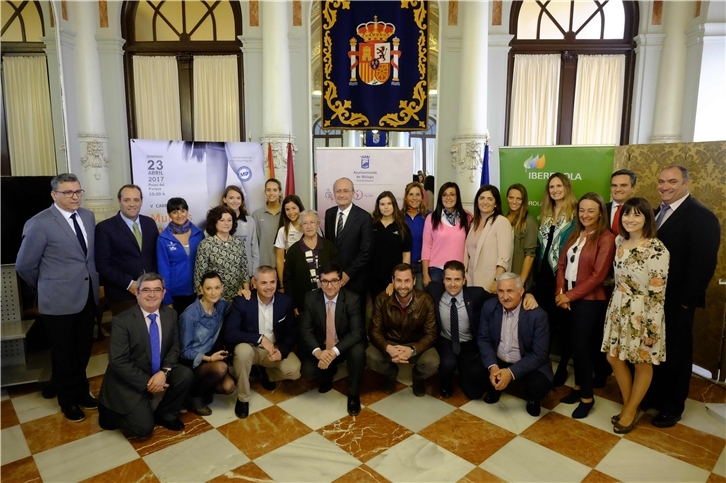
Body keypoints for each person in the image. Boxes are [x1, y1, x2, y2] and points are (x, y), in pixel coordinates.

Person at [16, 173, 100, 422]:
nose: (75, 197)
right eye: (68, 192)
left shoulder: (88, 216)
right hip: (58, 300)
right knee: (63, 354)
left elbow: (87, 258)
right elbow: (24, 265)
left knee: (83, 350)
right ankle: (67, 400)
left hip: (87, 295)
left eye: (78, 191)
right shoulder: (39, 223)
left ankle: (82, 392)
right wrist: (46, 286)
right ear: (54, 195)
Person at [648, 165, 720, 428]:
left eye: (672, 181)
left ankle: (673, 406)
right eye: (661, 181)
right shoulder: (657, 213)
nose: (665, 186)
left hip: (678, 302)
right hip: (654, 300)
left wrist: (685, 301)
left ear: (686, 183)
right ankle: (655, 397)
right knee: (656, 351)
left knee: (677, 355)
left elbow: (703, 267)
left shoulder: (702, 217)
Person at [602, 198, 669, 434]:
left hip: (643, 310)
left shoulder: (656, 249)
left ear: (647, 219)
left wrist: (651, 329)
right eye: (627, 214)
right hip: (619, 307)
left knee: (642, 361)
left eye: (637, 215)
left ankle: (629, 410)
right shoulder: (620, 241)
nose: (630, 219)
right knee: (614, 357)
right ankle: (631, 404)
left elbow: (657, 292)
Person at [426, 261, 540, 399]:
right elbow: (412, 293)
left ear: (464, 280)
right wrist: (391, 285)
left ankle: (465, 376)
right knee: (448, 363)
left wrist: (527, 294)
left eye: (457, 279)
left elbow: (502, 296)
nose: (452, 284)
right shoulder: (434, 290)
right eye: (448, 279)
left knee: (474, 393)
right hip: (446, 340)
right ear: (443, 280)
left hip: (468, 343)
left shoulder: (476, 294)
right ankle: (445, 383)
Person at [98, 273, 194, 436]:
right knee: (143, 429)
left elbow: (174, 348)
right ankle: (111, 412)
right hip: (129, 379)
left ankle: (165, 413)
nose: (152, 294)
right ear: (137, 293)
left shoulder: (170, 315)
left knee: (185, 374)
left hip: (156, 370)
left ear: (164, 293)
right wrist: (149, 383)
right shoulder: (122, 321)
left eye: (157, 290)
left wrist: (164, 372)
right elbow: (118, 361)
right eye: (146, 290)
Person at [555, 193, 616, 419]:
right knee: (572, 345)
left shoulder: (606, 238)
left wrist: (569, 296)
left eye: (591, 210)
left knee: (582, 349)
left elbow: (598, 276)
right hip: (569, 298)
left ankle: (587, 399)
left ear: (600, 212)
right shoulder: (576, 234)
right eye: (582, 210)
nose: (585, 214)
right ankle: (579, 388)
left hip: (589, 301)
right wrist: (560, 293)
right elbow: (562, 265)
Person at [225, 266, 301, 419]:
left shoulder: (285, 301)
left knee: (294, 370)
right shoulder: (242, 301)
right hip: (251, 348)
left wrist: (282, 351)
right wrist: (259, 338)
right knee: (242, 352)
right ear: (254, 283)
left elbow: (293, 332)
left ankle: (266, 372)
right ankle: (243, 398)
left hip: (272, 350)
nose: (269, 287)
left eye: (272, 282)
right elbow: (229, 333)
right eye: (264, 282)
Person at [476, 273, 553, 417]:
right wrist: (493, 367)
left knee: (540, 385)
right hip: (498, 359)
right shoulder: (489, 307)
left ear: (521, 291)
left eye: (510, 291)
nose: (505, 296)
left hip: (524, 360)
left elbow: (539, 354)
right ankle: (496, 385)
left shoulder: (537, 315)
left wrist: (510, 373)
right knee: (473, 372)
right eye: (501, 291)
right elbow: (483, 339)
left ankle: (532, 398)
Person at [299, 263, 366, 416]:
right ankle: (327, 374)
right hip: (321, 346)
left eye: (334, 280)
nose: (329, 286)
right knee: (307, 372)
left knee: (358, 351)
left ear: (341, 281)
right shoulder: (310, 298)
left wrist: (334, 352)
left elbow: (356, 333)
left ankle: (354, 394)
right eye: (325, 281)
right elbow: (305, 330)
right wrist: (318, 353)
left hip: (342, 346)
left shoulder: (352, 299)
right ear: (319, 282)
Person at [367, 263, 439, 397]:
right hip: (390, 342)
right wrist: (388, 348)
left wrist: (412, 350)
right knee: (369, 356)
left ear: (414, 281)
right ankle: (390, 373)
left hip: (416, 343)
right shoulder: (382, 299)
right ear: (393, 281)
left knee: (432, 362)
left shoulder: (426, 300)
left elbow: (431, 334)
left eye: (407, 280)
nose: (403, 285)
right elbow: (374, 331)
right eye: (399, 280)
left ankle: (418, 377)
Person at [533, 172, 578, 387]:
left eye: (559, 186)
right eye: (551, 187)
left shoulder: (576, 215)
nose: (555, 190)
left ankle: (562, 367)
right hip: (543, 275)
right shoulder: (545, 214)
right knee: (545, 322)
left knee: (564, 324)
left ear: (566, 188)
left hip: (564, 276)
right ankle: (543, 363)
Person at [178, 271, 236, 416]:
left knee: (229, 387)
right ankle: (194, 395)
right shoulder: (189, 315)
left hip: (211, 357)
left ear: (222, 288)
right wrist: (209, 359)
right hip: (192, 362)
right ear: (201, 289)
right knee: (221, 368)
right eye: (209, 288)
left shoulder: (222, 306)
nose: (213, 293)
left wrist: (245, 292)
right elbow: (184, 351)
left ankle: (203, 389)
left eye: (217, 288)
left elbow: (238, 306)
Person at [95, 184, 158, 315]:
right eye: (126, 200)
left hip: (150, 293)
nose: (132, 204)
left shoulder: (150, 223)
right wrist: (129, 284)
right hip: (122, 295)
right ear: (119, 201)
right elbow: (102, 265)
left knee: (151, 333)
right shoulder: (105, 228)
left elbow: (155, 256)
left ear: (141, 201)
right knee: (128, 334)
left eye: (136, 200)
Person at [324, 177, 373, 328]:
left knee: (356, 321)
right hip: (334, 279)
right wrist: (334, 275)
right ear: (333, 193)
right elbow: (329, 246)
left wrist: (348, 274)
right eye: (338, 191)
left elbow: (366, 251)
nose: (342, 194)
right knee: (337, 319)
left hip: (356, 278)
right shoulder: (329, 214)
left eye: (346, 191)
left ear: (353, 193)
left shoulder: (364, 217)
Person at [283, 210, 338, 314]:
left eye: (312, 222)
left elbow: (337, 273)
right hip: (303, 303)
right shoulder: (294, 251)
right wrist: (293, 304)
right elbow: (288, 280)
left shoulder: (329, 247)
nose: (309, 226)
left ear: (318, 225)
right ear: (300, 227)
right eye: (305, 223)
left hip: (327, 299)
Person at [156, 197, 205, 315]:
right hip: (176, 294)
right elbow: (164, 271)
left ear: (187, 212)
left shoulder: (199, 234)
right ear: (169, 214)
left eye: (183, 211)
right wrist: (167, 298)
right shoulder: (163, 239)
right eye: (174, 211)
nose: (179, 215)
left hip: (199, 291)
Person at [194, 205, 250, 302]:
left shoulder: (238, 242)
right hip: (215, 298)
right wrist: (203, 299)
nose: (226, 223)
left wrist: (246, 290)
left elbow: (244, 268)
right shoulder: (206, 244)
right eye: (222, 220)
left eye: (229, 220)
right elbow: (199, 275)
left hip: (237, 295)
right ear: (214, 222)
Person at [464, 184, 513, 293]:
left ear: (495, 204)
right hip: (470, 281)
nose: (485, 202)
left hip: (489, 283)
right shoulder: (473, 223)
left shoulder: (501, 222)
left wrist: (496, 281)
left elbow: (504, 258)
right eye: (482, 198)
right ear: (477, 201)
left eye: (490, 199)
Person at [421, 182, 471, 286]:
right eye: (444, 195)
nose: (448, 198)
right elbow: (426, 247)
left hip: (459, 271)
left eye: (452, 194)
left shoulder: (467, 217)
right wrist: (425, 274)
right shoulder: (431, 218)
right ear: (440, 198)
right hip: (437, 270)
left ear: (457, 197)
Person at [369, 191, 412, 301]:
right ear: (378, 207)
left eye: (389, 203)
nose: (386, 207)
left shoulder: (402, 227)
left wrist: (400, 278)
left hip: (395, 277)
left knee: (395, 310)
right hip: (374, 277)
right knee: (378, 309)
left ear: (394, 205)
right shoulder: (371, 225)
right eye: (382, 204)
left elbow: (406, 254)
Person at [505, 184, 538, 290]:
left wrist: (521, 283)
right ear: (507, 198)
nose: (514, 202)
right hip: (502, 277)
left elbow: (530, 256)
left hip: (517, 279)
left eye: (518, 199)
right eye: (511, 198)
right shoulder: (501, 218)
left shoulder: (529, 222)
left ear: (524, 201)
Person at [222, 185, 260, 276]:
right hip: (224, 273)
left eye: (238, 198)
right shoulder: (217, 221)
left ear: (242, 201)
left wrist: (255, 274)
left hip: (246, 273)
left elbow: (255, 250)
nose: (235, 201)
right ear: (224, 199)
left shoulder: (250, 221)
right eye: (231, 198)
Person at [403, 181, 430, 291]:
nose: (414, 198)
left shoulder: (428, 216)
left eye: (418, 194)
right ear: (406, 197)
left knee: (419, 300)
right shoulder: (399, 216)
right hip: (403, 266)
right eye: (411, 194)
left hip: (421, 267)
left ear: (422, 197)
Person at [275, 194, 306, 285]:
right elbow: (280, 260)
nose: (291, 212)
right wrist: (282, 284)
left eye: (294, 208)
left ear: (300, 208)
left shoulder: (311, 226)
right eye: (287, 209)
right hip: (292, 274)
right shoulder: (282, 231)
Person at [252, 178, 282, 267]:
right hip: (264, 264)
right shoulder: (257, 214)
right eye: (268, 190)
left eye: (275, 190)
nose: (271, 193)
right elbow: (254, 242)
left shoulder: (287, 212)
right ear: (265, 192)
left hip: (284, 263)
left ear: (280, 192)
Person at [607, 169, 637, 235]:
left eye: (623, 185)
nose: (618, 189)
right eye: (614, 185)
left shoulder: (643, 212)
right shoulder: (600, 209)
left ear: (633, 188)